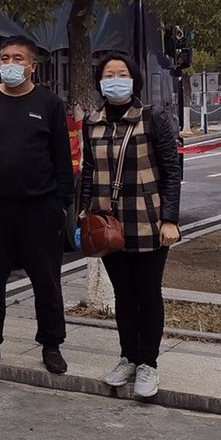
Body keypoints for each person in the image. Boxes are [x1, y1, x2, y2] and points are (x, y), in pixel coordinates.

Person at [0, 36, 74, 375]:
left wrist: (62, 204)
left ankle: (51, 344)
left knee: (46, 280)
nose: (10, 64)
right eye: (5, 58)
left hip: (40, 208)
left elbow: (62, 159)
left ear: (32, 66)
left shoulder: (49, 104)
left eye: (18, 58)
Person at [79, 52, 183, 399]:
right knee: (123, 295)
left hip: (148, 222)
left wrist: (170, 219)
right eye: (108, 75)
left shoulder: (152, 117)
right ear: (99, 82)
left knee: (147, 294)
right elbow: (89, 171)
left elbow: (171, 170)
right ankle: (128, 357)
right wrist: (83, 213)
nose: (115, 80)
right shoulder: (92, 122)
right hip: (108, 224)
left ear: (134, 79)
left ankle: (148, 364)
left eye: (122, 74)